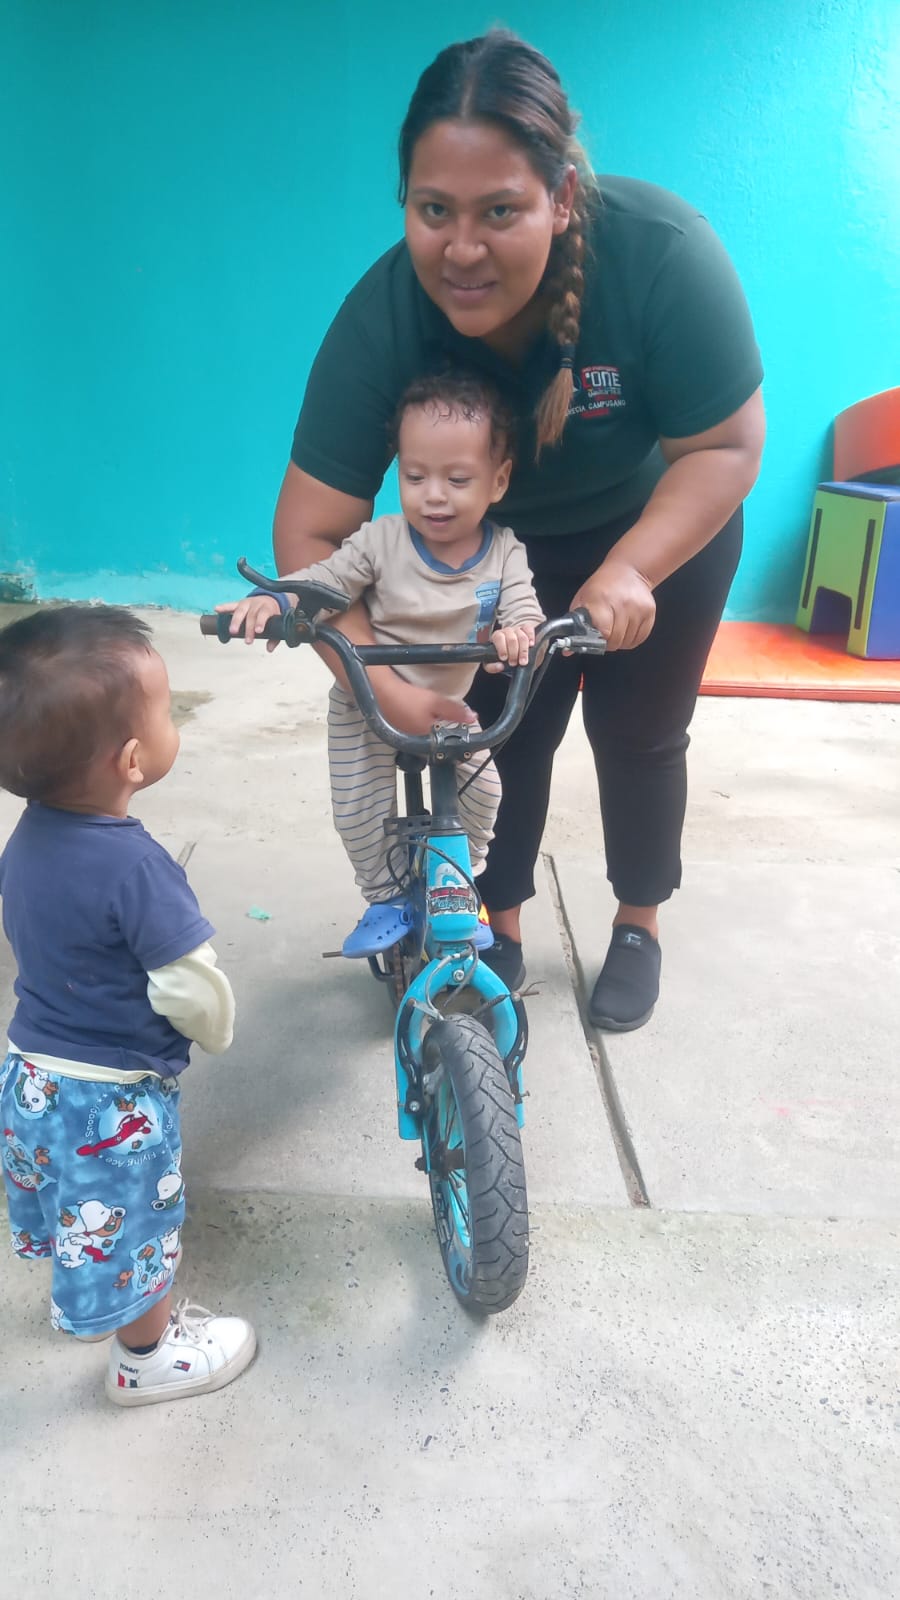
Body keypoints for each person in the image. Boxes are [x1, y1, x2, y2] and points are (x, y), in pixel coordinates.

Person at [225, 30, 765, 1031]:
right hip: (491, 554)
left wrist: (631, 570)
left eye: (500, 211)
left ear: (562, 197)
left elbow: (726, 446)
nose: (462, 249)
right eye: (435, 210)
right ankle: (497, 922)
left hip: (660, 535)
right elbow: (312, 533)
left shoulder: (662, 254)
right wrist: (381, 684)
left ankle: (638, 924)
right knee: (494, 741)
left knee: (640, 734)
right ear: (406, 203)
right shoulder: (384, 318)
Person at [0, 606, 256, 1406]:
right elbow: (188, 985)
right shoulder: (138, 868)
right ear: (134, 759)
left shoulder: (26, 839)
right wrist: (215, 1029)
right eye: (168, 710)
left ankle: (88, 1288)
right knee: (136, 1227)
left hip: (30, 1076)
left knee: (73, 1200)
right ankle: (144, 1357)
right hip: (108, 1098)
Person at [221, 371, 544, 958]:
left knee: (485, 793)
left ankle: (458, 882)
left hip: (446, 708)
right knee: (359, 808)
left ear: (498, 481)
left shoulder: (504, 551)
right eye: (415, 477)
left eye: (457, 479)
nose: (434, 495)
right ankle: (385, 896)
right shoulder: (380, 541)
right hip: (363, 701)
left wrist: (520, 633)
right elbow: (325, 580)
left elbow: (523, 607)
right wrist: (276, 601)